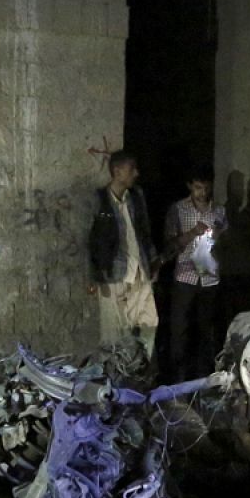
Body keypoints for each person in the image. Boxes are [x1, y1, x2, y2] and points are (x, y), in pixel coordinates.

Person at [161, 166, 229, 381]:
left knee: (205, 331)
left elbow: (227, 243)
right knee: (180, 331)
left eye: (206, 188)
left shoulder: (219, 211)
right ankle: (179, 380)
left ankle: (204, 380)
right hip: (185, 278)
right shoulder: (179, 210)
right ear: (190, 186)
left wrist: (219, 237)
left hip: (209, 278)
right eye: (198, 188)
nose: (203, 193)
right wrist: (191, 233)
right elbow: (169, 244)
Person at [88, 149, 158, 354]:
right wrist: (94, 275)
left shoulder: (136, 197)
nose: (136, 173)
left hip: (139, 272)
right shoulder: (100, 200)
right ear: (117, 172)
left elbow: (144, 232)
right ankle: (116, 377)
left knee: (149, 323)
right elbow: (91, 239)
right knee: (113, 334)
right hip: (114, 275)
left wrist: (153, 262)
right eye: (131, 169)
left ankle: (139, 369)